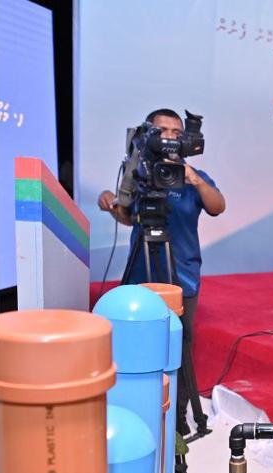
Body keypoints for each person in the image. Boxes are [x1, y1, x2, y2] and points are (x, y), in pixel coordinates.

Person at [98, 108, 226, 440]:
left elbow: (217, 206)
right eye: (163, 130)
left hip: (182, 276)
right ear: (148, 134)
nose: (170, 136)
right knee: (133, 341)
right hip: (141, 274)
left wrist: (195, 179)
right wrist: (112, 203)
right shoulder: (140, 173)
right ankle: (132, 406)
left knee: (179, 344)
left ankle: (178, 416)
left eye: (176, 131)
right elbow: (129, 217)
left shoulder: (193, 176)